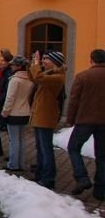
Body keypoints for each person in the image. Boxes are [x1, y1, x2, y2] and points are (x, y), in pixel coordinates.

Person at [66, 49, 105, 201]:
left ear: (92, 60)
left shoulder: (83, 76)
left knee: (73, 148)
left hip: (85, 120)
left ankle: (82, 177)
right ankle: (100, 190)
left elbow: (74, 100)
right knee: (102, 156)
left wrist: (70, 119)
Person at [28, 50, 66, 190]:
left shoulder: (58, 76)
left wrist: (36, 64)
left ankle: (48, 178)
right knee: (40, 147)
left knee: (46, 148)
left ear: (55, 62)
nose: (44, 61)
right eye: (43, 59)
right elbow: (34, 78)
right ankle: (40, 173)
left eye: (47, 60)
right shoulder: (49, 74)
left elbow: (38, 78)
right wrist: (33, 64)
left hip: (46, 115)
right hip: (40, 114)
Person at [0, 56, 32, 171]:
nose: (11, 66)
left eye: (13, 65)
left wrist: (4, 112)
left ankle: (13, 164)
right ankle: (21, 163)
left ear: (19, 66)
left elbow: (10, 98)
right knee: (21, 139)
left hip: (14, 112)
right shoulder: (29, 79)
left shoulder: (14, 80)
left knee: (14, 140)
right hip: (25, 111)